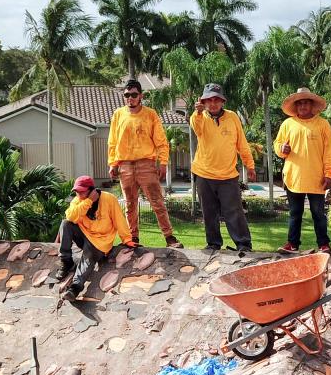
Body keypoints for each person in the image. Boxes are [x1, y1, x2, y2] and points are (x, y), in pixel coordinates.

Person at [108, 79, 182, 248]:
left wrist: (163, 162)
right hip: (125, 165)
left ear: (141, 95)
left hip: (146, 164)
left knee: (157, 202)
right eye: (127, 95)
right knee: (129, 204)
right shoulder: (118, 114)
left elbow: (161, 142)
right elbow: (112, 141)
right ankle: (133, 239)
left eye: (134, 94)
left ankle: (169, 237)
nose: (130, 98)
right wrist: (112, 163)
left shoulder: (150, 114)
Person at [190, 83, 255, 252]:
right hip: (203, 174)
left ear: (222, 101)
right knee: (209, 212)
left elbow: (242, 143)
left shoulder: (233, 117)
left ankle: (243, 244)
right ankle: (213, 244)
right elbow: (196, 129)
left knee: (234, 211)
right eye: (209, 100)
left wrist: (250, 165)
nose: (213, 103)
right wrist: (197, 113)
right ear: (203, 102)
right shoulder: (198, 117)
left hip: (228, 175)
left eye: (216, 100)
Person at [274, 87, 331, 254]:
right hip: (294, 177)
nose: (302, 106)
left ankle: (324, 244)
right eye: (299, 103)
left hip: (317, 177)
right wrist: (282, 149)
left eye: (306, 102)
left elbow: (329, 152)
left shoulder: (322, 124)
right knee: (295, 213)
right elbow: (277, 145)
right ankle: (292, 244)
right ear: (296, 106)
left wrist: (329, 174)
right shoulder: (288, 124)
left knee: (318, 213)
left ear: (312, 105)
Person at [55, 175, 134, 298]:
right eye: (77, 191)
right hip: (84, 235)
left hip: (101, 241)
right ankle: (66, 262)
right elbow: (70, 217)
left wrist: (127, 239)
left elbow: (119, 220)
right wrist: (88, 201)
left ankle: (75, 288)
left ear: (92, 189)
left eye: (82, 191)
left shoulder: (109, 199)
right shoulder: (78, 200)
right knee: (65, 224)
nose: (79, 194)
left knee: (88, 257)